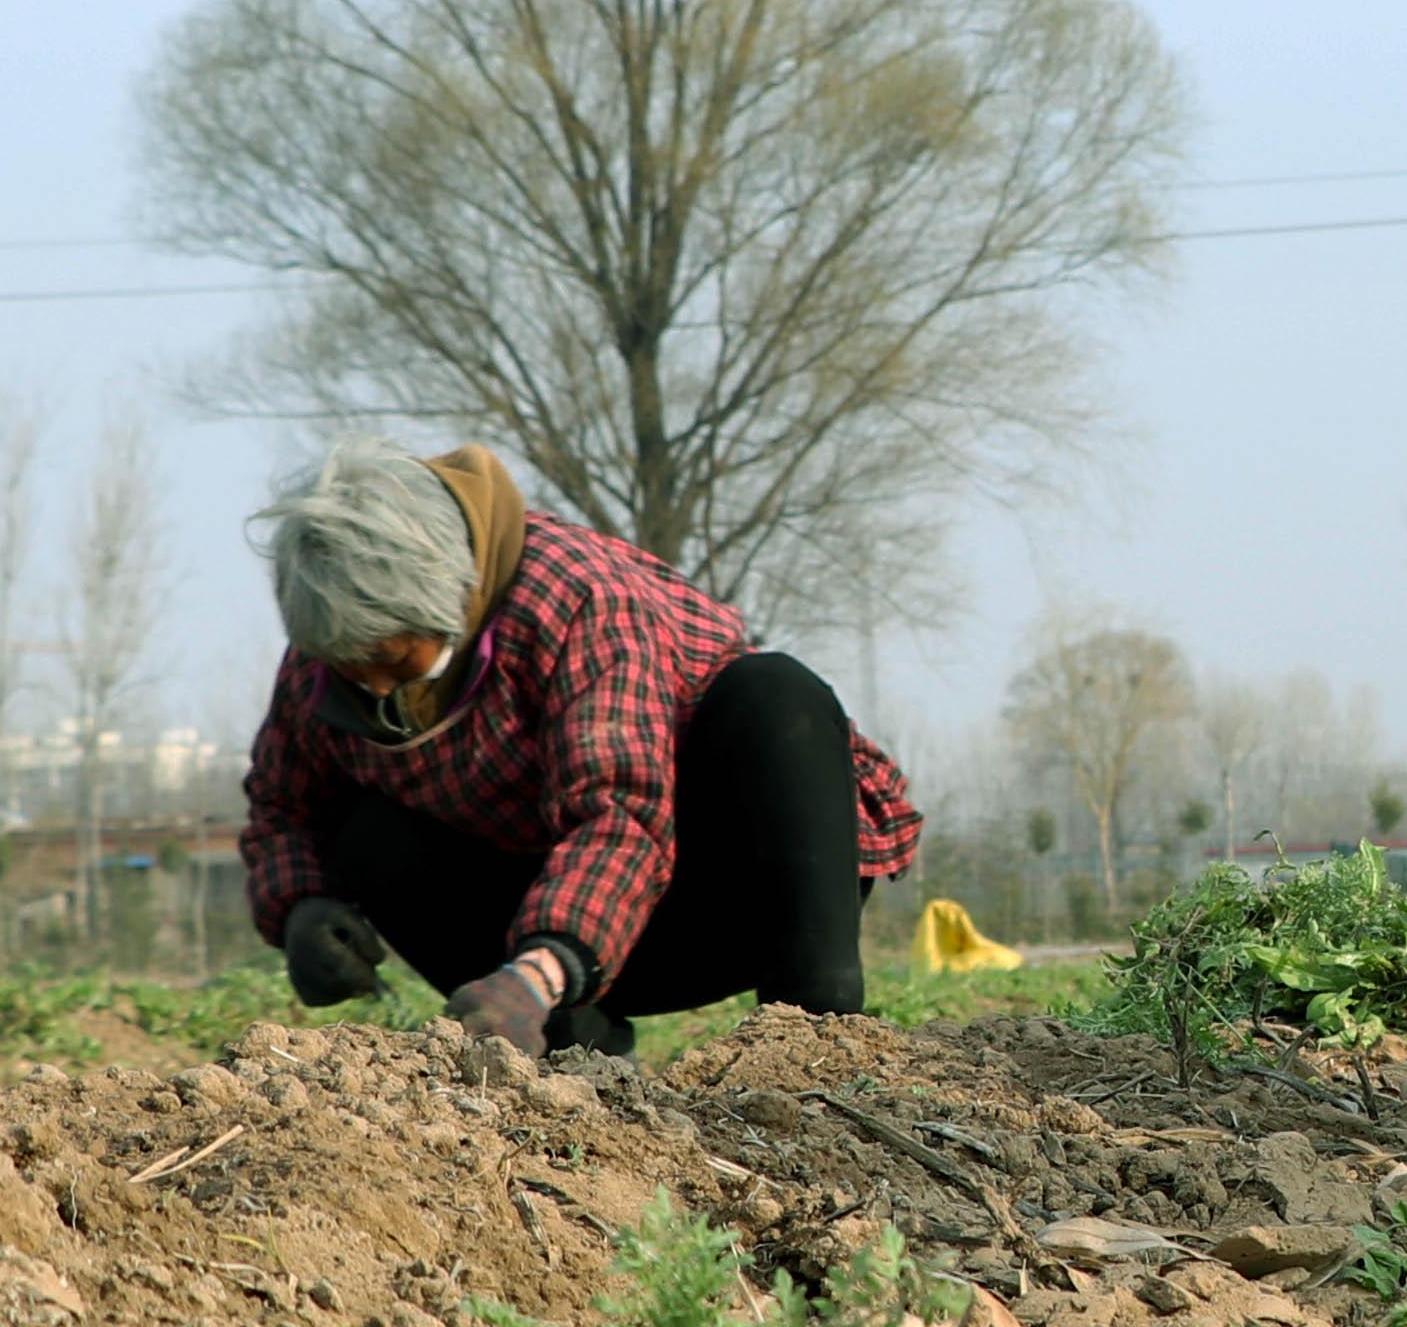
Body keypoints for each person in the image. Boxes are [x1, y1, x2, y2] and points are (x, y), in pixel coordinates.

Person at [236, 438, 918, 1062]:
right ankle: (571, 1051)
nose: (374, 688)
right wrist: (300, 905)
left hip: (712, 892)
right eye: (352, 668)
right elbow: (281, 803)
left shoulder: (578, 598)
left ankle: (817, 1034)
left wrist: (535, 976)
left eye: (392, 660)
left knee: (773, 695)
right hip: (544, 913)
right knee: (369, 833)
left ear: (453, 600)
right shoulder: (333, 649)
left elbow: (621, 812)